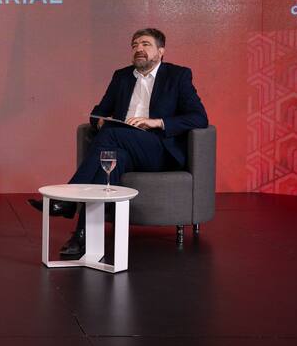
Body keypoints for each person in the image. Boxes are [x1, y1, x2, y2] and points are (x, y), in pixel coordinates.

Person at [28, 28, 208, 257]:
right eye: (135, 45)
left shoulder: (178, 75)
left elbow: (199, 117)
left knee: (112, 136)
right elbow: (98, 113)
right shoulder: (121, 76)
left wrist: (155, 122)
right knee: (109, 159)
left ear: (161, 51)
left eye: (145, 44)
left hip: (158, 149)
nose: (139, 49)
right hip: (124, 146)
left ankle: (67, 199)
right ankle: (80, 237)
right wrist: (100, 122)